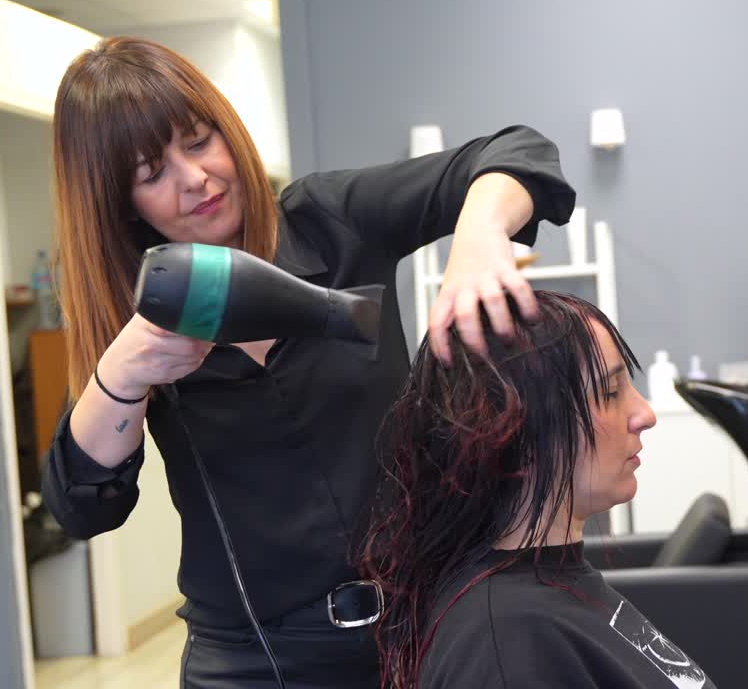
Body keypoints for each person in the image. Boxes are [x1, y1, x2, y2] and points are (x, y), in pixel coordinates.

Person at [39, 36, 575, 688]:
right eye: (152, 173)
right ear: (120, 205)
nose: (196, 179)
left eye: (200, 140)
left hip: (419, 630)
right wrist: (120, 375)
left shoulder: (331, 221)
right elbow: (84, 508)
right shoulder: (144, 313)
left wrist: (480, 235)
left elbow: (517, 153)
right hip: (251, 663)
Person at [360, 291, 718, 689]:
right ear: (516, 438)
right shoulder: (503, 647)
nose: (645, 415)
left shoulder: (550, 590)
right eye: (610, 393)